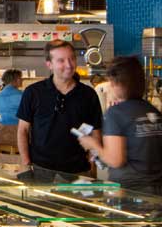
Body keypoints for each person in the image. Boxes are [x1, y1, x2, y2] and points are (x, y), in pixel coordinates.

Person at [17, 39, 103, 177]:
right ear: (49, 64)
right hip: (41, 170)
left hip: (79, 171)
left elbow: (96, 132)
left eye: (72, 59)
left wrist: (93, 163)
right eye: (61, 60)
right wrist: (26, 163)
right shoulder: (33, 92)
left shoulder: (88, 94)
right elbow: (23, 130)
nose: (69, 65)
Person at [79, 57, 162, 194]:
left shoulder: (115, 114)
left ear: (116, 83)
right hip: (157, 192)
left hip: (130, 193)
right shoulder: (152, 111)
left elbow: (115, 160)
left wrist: (93, 144)